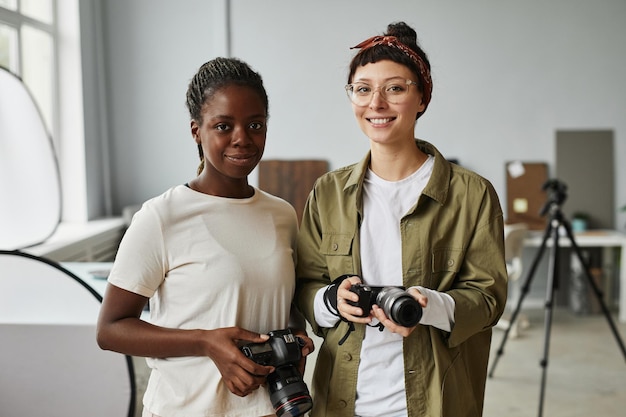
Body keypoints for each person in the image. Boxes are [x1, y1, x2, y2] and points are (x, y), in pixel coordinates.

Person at [294, 22, 507, 417]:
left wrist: (427, 306)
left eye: (395, 88)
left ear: (422, 98)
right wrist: (331, 299)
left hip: (437, 399)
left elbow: (488, 298)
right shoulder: (327, 193)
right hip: (343, 398)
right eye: (362, 89)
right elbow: (306, 285)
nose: (376, 103)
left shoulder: (471, 194)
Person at [97, 57, 313, 417]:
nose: (242, 139)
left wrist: (294, 345)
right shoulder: (162, 217)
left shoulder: (282, 214)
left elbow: (288, 309)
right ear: (197, 131)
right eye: (223, 126)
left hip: (269, 410)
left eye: (255, 124)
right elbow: (110, 329)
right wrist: (206, 342)